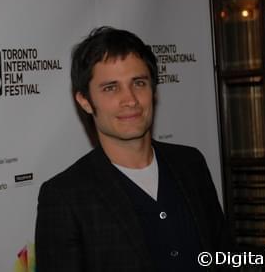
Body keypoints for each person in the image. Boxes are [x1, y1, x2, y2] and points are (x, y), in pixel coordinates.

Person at [35, 26, 232, 272]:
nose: (130, 99)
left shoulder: (191, 163)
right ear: (85, 101)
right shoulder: (65, 196)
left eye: (138, 83)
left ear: (153, 90)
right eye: (111, 88)